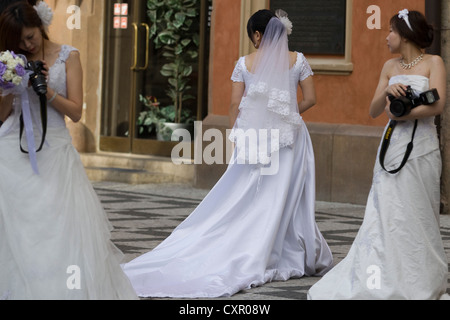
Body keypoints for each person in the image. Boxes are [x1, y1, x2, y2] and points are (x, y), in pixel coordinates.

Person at [123, 9, 333, 298]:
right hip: (290, 139)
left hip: (252, 137)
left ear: (258, 35)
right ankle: (283, 244)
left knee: (247, 192)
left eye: (253, 37)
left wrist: (238, 135)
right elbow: (310, 99)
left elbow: (235, 105)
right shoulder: (298, 60)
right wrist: (286, 115)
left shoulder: (244, 63)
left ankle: (246, 241)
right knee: (286, 195)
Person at [0, 1, 138, 300]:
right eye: (20, 40)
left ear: (41, 26)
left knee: (58, 226)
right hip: (12, 148)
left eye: (31, 36)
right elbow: (3, 116)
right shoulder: (10, 60)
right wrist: (9, 87)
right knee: (17, 226)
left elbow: (75, 112)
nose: (27, 44)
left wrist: (46, 89)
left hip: (56, 151)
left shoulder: (67, 56)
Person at [308, 9, 448, 300]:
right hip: (392, 146)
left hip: (422, 147)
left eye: (391, 32)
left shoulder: (435, 62)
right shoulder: (388, 66)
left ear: (405, 34)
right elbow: (373, 111)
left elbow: (438, 105)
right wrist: (388, 91)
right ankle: (382, 276)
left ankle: (419, 280)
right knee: (386, 211)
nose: (386, 37)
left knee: (419, 212)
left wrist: (406, 112)